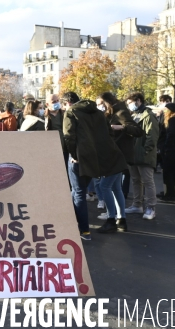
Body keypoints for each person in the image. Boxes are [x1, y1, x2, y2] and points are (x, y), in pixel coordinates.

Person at [62, 92, 127, 239]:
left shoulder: (71, 112)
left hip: (79, 157)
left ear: (67, 103)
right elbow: (109, 133)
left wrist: (74, 155)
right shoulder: (97, 112)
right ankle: (76, 224)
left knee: (78, 192)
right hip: (94, 158)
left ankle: (84, 230)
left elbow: (69, 137)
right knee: (79, 191)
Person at [95, 92, 144, 229]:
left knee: (104, 186)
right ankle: (121, 219)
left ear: (107, 103)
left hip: (118, 156)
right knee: (116, 187)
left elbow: (138, 131)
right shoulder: (111, 113)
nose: (99, 107)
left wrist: (121, 127)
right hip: (114, 155)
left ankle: (111, 219)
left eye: (100, 104)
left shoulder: (120, 112)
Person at [125, 93, 160, 217]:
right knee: (136, 180)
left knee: (147, 181)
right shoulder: (135, 115)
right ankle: (137, 205)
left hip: (143, 154)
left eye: (130, 102)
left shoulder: (149, 116)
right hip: (134, 153)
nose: (129, 105)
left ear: (138, 101)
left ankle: (151, 207)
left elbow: (152, 136)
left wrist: (146, 150)